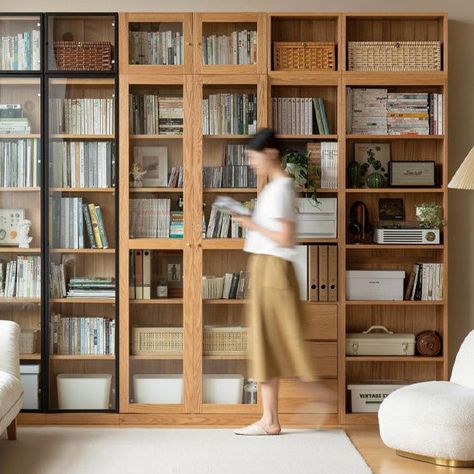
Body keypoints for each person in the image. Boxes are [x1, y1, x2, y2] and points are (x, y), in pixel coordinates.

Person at [233, 128, 315, 436]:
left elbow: (285, 237)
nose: (251, 163)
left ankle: (276, 417)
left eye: (253, 157)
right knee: (265, 343)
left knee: (269, 342)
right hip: (266, 268)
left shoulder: (280, 189)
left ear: (270, 154)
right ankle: (269, 418)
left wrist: (250, 222)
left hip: (273, 270)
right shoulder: (273, 188)